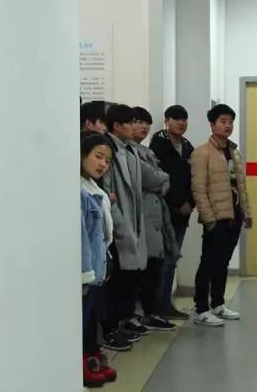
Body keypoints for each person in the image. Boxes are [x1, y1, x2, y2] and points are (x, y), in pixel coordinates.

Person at [102, 104, 168, 340]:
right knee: (117, 281)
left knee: (130, 277)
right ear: (117, 126)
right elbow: (107, 193)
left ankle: (125, 319)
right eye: (131, 122)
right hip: (117, 226)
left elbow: (157, 178)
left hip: (133, 221)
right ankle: (113, 326)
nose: (135, 126)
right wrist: (120, 224)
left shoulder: (129, 151)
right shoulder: (108, 150)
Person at [190, 103, 253, 326]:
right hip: (216, 217)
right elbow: (199, 189)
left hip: (234, 215)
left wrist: (246, 212)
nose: (228, 125)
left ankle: (218, 304)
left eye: (230, 121)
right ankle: (201, 308)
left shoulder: (233, 151)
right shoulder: (202, 153)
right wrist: (209, 218)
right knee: (208, 262)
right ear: (212, 124)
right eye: (223, 121)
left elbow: (241, 185)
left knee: (223, 262)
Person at [131, 107, 178, 331]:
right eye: (138, 122)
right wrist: (161, 178)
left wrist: (159, 179)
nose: (143, 127)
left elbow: (162, 183)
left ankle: (153, 313)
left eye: (146, 123)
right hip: (140, 218)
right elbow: (154, 178)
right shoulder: (128, 153)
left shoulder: (146, 151)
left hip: (156, 217)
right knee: (141, 272)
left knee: (155, 269)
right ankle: (140, 315)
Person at [149, 105, 195, 320]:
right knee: (161, 261)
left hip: (182, 214)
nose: (182, 123)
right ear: (167, 120)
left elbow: (193, 178)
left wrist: (190, 203)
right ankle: (156, 308)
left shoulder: (187, 146)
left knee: (172, 259)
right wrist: (177, 203)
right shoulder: (158, 144)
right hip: (163, 212)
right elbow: (159, 179)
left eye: (184, 119)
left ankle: (166, 305)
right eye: (177, 119)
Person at [80, 131, 117, 387]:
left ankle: (91, 357)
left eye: (107, 160)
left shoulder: (94, 188)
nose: (103, 164)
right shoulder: (80, 191)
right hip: (87, 271)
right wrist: (85, 274)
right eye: (98, 156)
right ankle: (82, 364)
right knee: (81, 320)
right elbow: (82, 238)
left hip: (98, 267)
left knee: (91, 317)